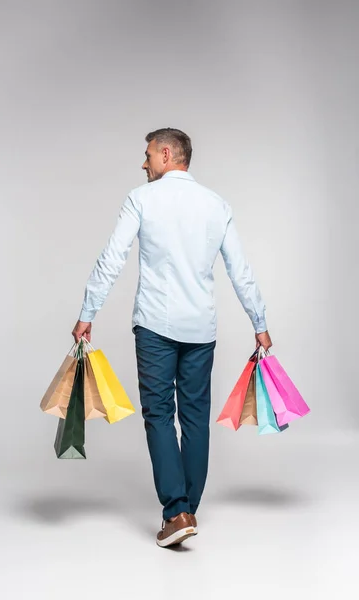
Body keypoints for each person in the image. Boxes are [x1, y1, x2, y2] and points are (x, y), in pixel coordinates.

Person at [72, 127, 272, 548]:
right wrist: (259, 322)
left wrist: (88, 312)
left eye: (147, 154)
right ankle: (187, 511)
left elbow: (112, 258)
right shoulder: (217, 204)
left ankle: (176, 512)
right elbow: (241, 270)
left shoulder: (142, 199)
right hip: (201, 328)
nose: (143, 163)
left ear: (166, 154)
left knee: (160, 414)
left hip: (155, 327)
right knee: (196, 417)